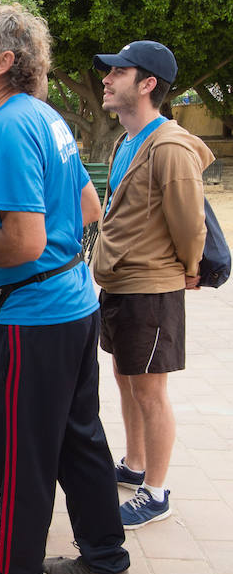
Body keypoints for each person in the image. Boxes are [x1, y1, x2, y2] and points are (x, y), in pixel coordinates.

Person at [0, 0, 131, 574]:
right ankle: (106, 563)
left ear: (2, 61)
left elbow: (23, 240)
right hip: (71, 307)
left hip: (31, 318)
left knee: (24, 453)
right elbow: (82, 208)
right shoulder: (35, 119)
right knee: (80, 441)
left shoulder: (12, 127)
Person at [92, 41, 213, 528]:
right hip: (120, 284)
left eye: (119, 72)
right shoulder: (127, 142)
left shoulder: (169, 146)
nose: (106, 78)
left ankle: (156, 490)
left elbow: (190, 225)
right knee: (126, 377)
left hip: (150, 288)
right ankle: (135, 464)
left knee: (150, 390)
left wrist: (188, 268)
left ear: (147, 85)